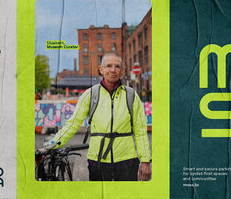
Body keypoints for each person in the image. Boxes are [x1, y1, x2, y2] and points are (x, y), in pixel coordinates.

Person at [41, 52, 151, 181]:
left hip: (126, 161)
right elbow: (72, 124)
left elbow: (141, 130)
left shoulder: (131, 95)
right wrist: (49, 146)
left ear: (122, 70)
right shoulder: (91, 95)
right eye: (109, 66)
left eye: (117, 66)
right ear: (101, 69)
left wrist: (145, 160)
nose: (113, 70)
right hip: (97, 161)